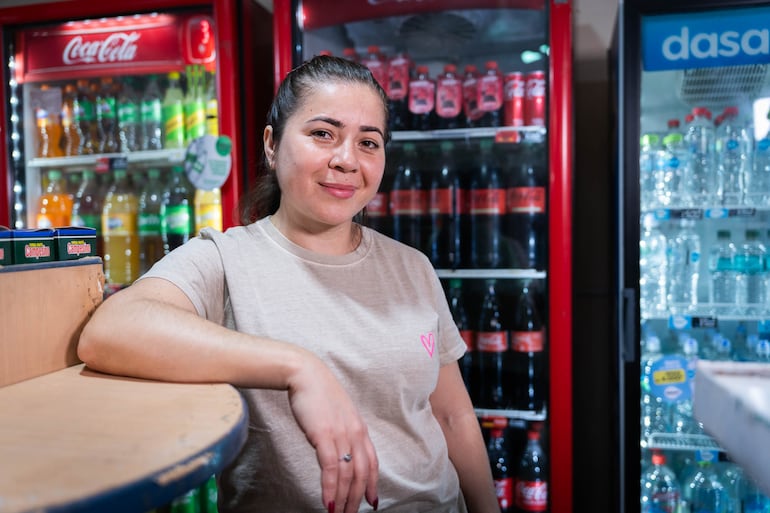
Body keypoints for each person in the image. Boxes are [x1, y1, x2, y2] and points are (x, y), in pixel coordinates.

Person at [77, 55, 499, 513]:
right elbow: (110, 330)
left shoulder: (412, 267)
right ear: (272, 145)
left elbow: (452, 416)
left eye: (368, 142)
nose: (346, 160)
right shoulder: (227, 257)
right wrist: (299, 368)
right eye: (323, 134)